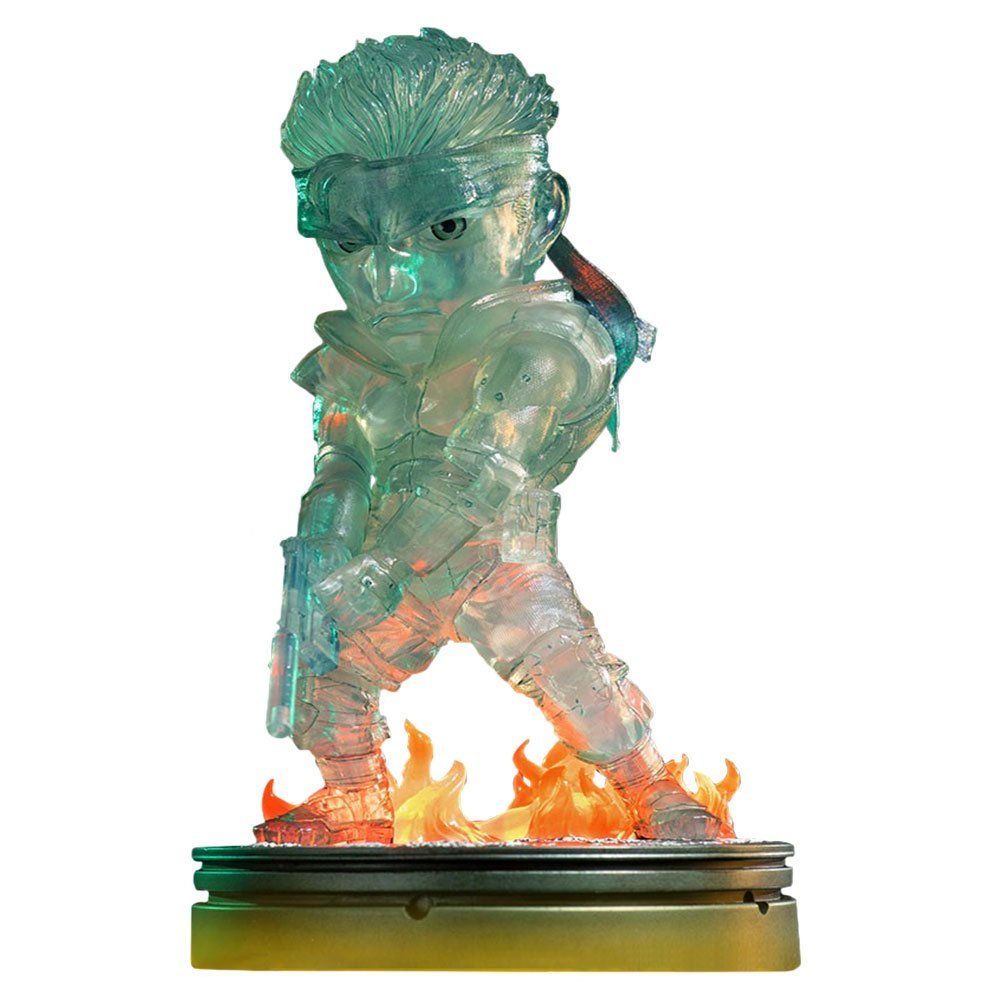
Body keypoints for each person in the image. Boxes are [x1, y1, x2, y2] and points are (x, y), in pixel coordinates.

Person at [258, 28, 727, 845]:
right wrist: (321, 557)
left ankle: (655, 793)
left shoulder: (539, 347)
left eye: (445, 229)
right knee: (329, 677)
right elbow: (341, 461)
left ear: (539, 213)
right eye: (350, 242)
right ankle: (354, 798)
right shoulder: (356, 358)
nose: (389, 278)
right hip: (387, 569)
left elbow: (481, 474)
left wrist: (377, 567)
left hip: (499, 559)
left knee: (575, 681)